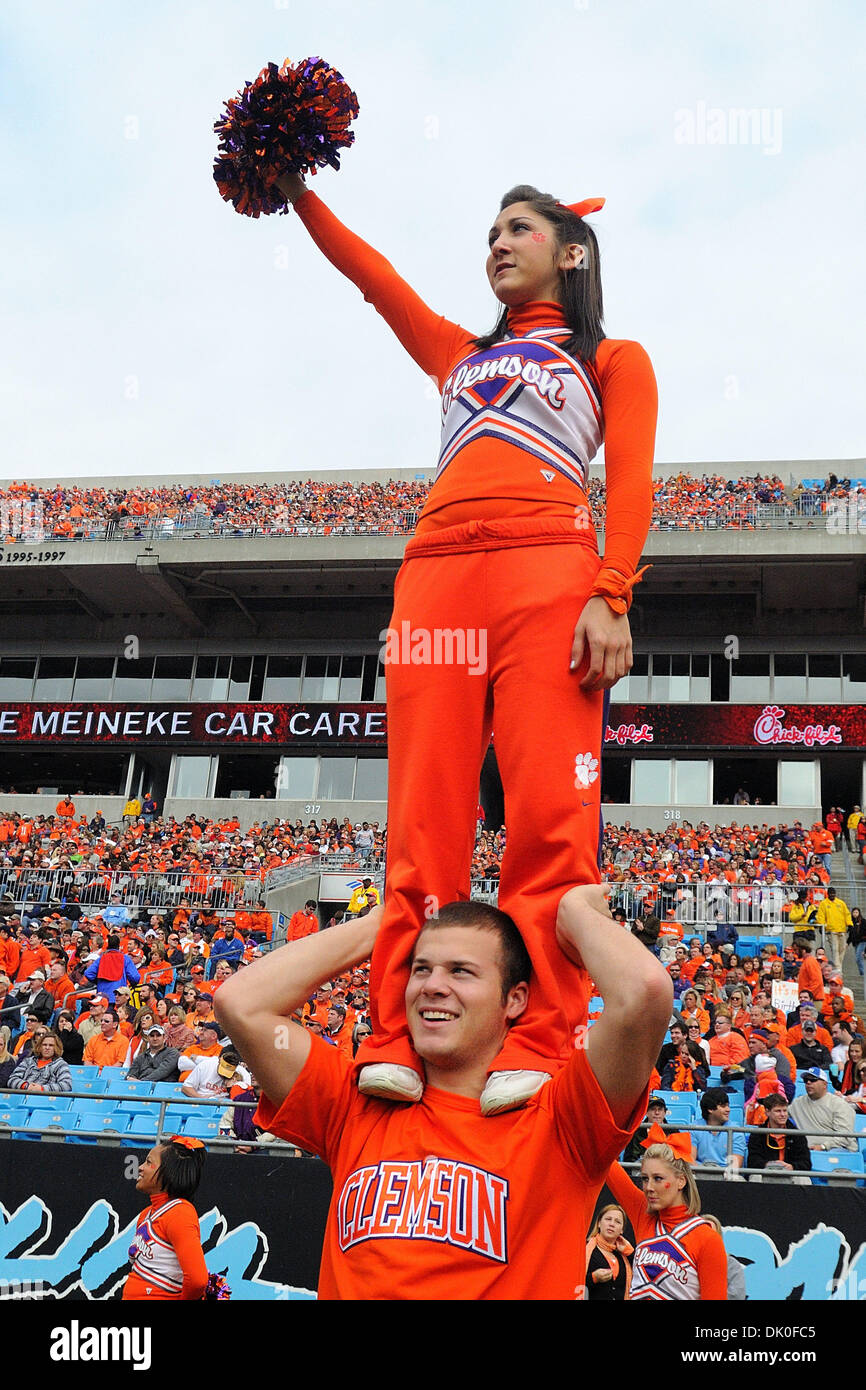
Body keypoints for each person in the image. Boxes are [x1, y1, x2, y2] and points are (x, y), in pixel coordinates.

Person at [274, 171, 658, 1114]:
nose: (496, 243)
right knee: (423, 822)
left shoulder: (614, 358)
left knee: (548, 823)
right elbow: (376, 280)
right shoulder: (455, 352)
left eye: (517, 228)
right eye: (488, 231)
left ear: (570, 252)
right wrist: (294, 192)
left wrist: (613, 590)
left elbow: (636, 481)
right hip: (436, 577)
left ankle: (539, 1033)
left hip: (549, 575)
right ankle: (396, 1031)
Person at [215, 887, 671, 1299]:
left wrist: (573, 912)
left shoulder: (562, 1117)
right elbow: (241, 1004)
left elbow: (644, 994)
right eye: (421, 969)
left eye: (461, 972)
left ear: (514, 999)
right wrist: (380, 927)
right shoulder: (354, 1101)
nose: (433, 985)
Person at [605, 1127, 728, 1299]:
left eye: (658, 1179)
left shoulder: (707, 1239)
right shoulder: (643, 1213)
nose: (649, 1187)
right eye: (645, 1178)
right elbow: (606, 1160)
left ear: (681, 1181)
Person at [123, 1137, 210, 1300]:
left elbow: (197, 1280)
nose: (140, 1168)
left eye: (149, 1163)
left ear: (168, 1172)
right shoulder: (147, 1213)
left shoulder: (180, 1213)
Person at [788, 1068, 857, 1151]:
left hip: (837, 1149)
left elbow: (845, 1137)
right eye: (806, 1080)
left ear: (825, 1084)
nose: (808, 1083)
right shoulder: (797, 1103)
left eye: (813, 1080)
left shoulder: (840, 1105)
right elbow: (779, 1115)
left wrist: (823, 1146)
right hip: (807, 1151)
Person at [746, 1092, 812, 1174]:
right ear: (767, 1112)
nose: (783, 1114)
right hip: (765, 1174)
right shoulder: (757, 1134)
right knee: (755, 1178)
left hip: (791, 1174)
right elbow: (752, 1161)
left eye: (785, 1111)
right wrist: (768, 1165)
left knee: (804, 1180)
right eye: (778, 1111)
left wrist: (792, 1167)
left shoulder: (797, 1134)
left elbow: (806, 1163)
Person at [692, 1088, 747, 1174]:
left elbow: (736, 1164)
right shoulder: (694, 1128)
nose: (728, 1109)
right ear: (710, 1109)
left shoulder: (736, 1130)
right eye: (723, 1106)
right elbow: (690, 1160)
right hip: (699, 1174)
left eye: (728, 1106)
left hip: (727, 1177)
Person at [584, 1204, 633, 1300]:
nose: (612, 1224)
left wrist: (630, 1252)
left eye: (617, 1222)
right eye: (608, 1219)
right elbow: (569, 1282)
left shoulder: (625, 1256)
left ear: (622, 1230)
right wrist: (593, 1278)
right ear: (599, 1223)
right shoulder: (584, 1249)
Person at [8, 1030, 72, 1093]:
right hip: (23, 1096)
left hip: (46, 1100)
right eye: (44, 1045)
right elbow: (12, 1079)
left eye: (51, 1045)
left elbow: (66, 1085)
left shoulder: (61, 1064)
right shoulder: (28, 1061)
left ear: (56, 1048)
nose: (47, 1047)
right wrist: (26, 1086)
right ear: (40, 1046)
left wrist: (41, 1089)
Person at [815, 888, 853, 973]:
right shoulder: (824, 904)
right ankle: (838, 969)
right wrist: (822, 926)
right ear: (828, 894)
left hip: (842, 929)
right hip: (831, 931)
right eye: (831, 893)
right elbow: (821, 915)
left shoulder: (841, 903)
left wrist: (849, 924)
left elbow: (847, 914)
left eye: (833, 893)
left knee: (842, 949)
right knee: (835, 949)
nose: (832, 895)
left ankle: (838, 966)